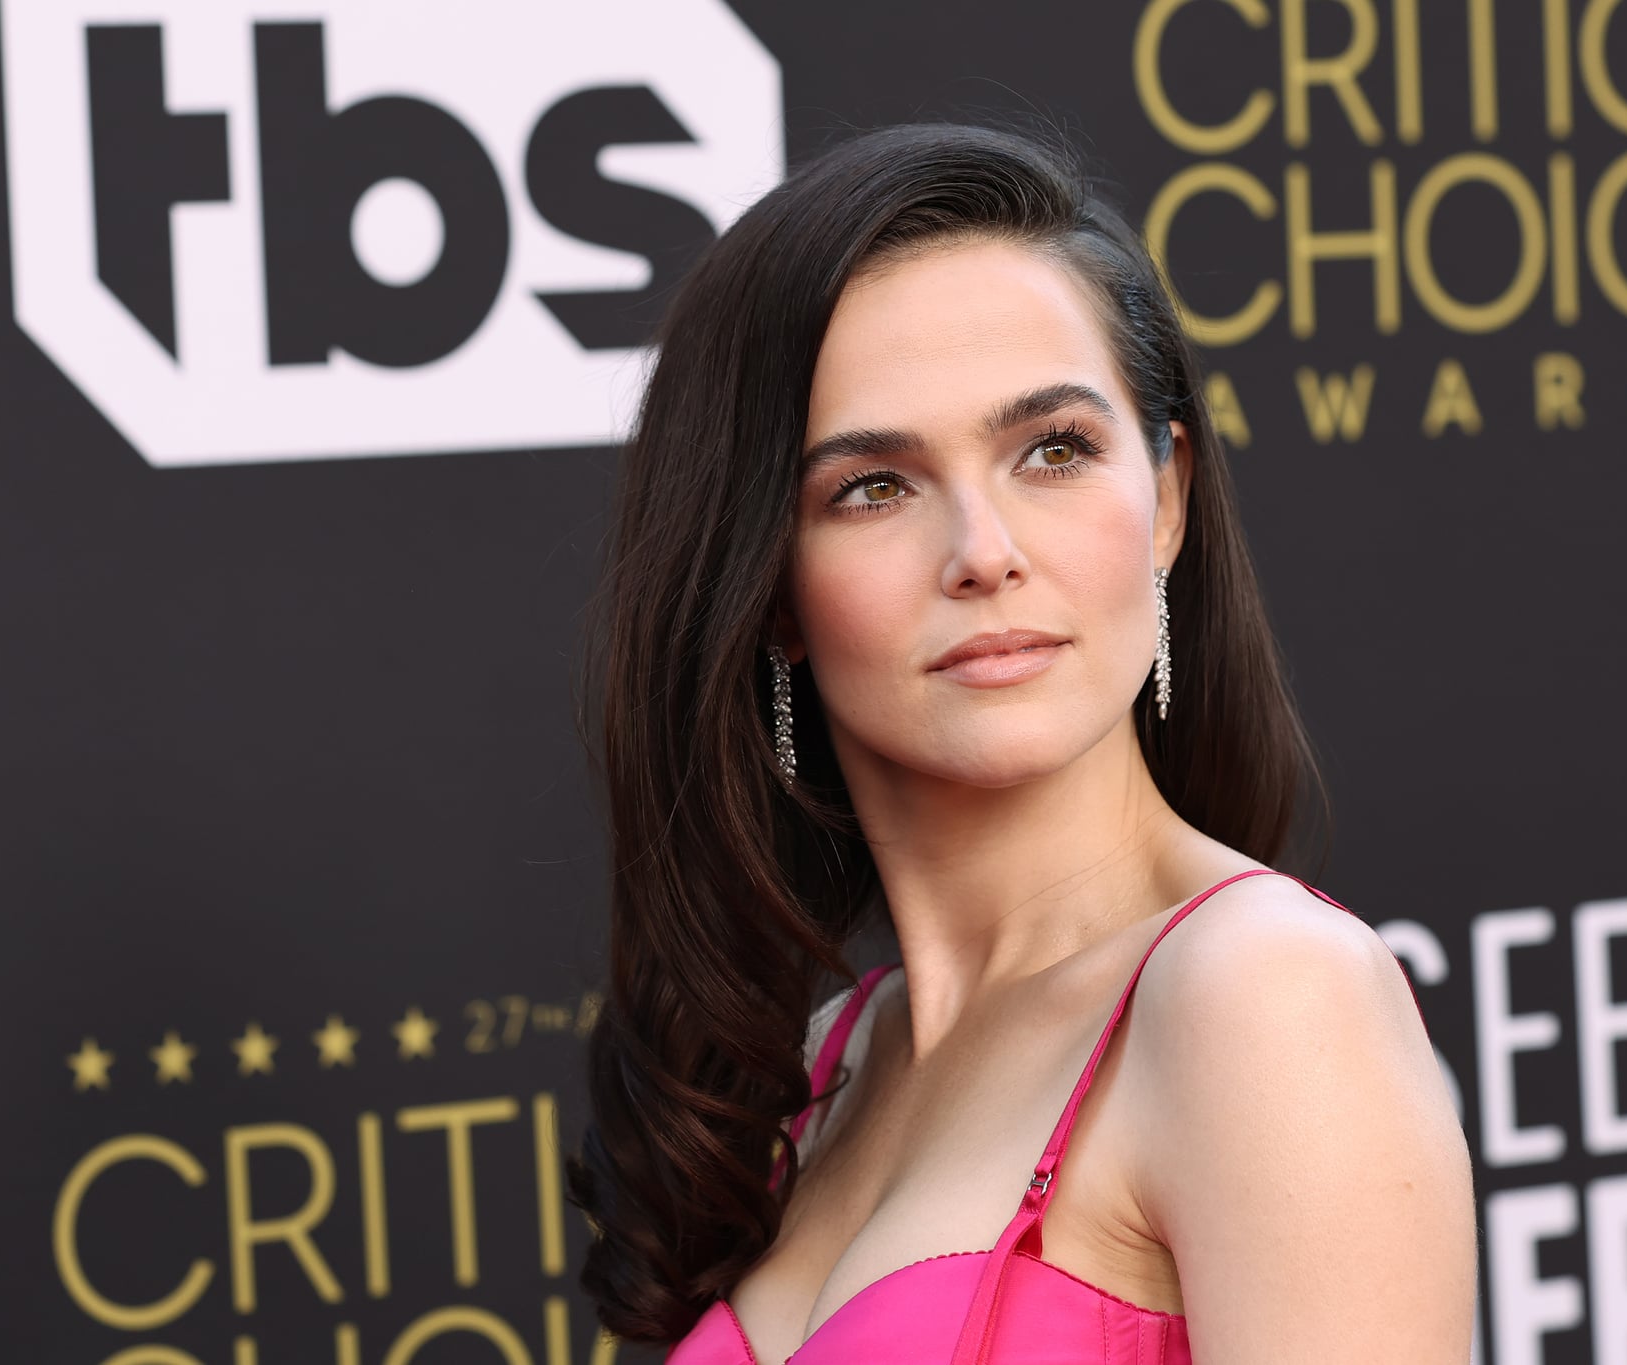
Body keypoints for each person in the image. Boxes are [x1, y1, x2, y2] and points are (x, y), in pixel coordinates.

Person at [564, 119, 1475, 1364]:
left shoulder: (1259, 998)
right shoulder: (825, 1071)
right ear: (767, 586)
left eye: (1053, 451)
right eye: (872, 487)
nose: (983, 552)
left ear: (1165, 500)